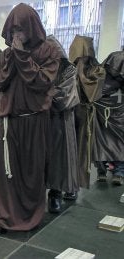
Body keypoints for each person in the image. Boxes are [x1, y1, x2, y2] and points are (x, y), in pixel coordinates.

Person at [0, 3, 61, 237]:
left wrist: (21, 56)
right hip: (6, 120)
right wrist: (12, 56)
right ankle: (1, 216)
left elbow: (40, 81)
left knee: (31, 171)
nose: (17, 34)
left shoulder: (49, 51)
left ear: (32, 27)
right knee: (4, 174)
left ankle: (28, 214)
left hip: (33, 120)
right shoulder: (7, 53)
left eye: (21, 28)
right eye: (13, 30)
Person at [45, 36, 80, 213]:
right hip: (42, 120)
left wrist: (41, 96)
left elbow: (63, 97)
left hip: (61, 120)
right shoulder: (40, 69)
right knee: (42, 157)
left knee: (60, 157)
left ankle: (56, 192)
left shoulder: (69, 70)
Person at [69, 35, 106, 191]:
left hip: (86, 113)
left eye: (83, 57)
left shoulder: (98, 71)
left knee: (82, 150)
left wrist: (81, 72)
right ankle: (66, 183)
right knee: (67, 148)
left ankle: (76, 183)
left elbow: (92, 91)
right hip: (69, 113)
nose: (80, 60)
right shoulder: (67, 69)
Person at [93, 49, 124, 185]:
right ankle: (118, 172)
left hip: (102, 105)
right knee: (119, 140)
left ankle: (102, 171)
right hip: (114, 107)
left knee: (100, 140)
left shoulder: (111, 57)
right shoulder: (119, 59)